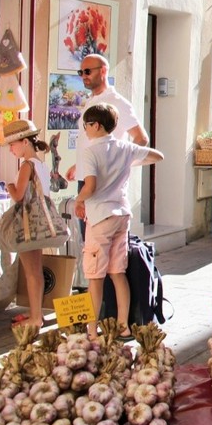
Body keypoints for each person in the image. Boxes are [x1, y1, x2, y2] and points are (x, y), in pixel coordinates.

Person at [74, 103, 163, 340]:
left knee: (95, 276)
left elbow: (90, 186)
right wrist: (128, 162)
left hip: (100, 215)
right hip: (121, 214)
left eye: (86, 125)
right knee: (117, 272)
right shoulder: (125, 147)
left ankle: (92, 331)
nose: (85, 130)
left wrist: (78, 199)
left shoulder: (90, 151)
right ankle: (123, 325)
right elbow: (157, 156)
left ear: (96, 125)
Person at [66, 54, 149, 234]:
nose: (83, 76)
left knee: (98, 239)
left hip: (101, 183)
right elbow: (93, 141)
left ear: (103, 71)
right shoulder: (91, 100)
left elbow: (141, 139)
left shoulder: (118, 102)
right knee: (87, 238)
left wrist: (117, 166)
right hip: (86, 175)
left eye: (87, 71)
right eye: (81, 72)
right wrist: (78, 164)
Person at [3, 119, 52, 327]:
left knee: (31, 272)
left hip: (28, 224)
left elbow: (19, 196)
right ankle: (37, 314)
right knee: (36, 271)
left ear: (24, 142)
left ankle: (34, 318)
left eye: (12, 145)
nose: (11, 150)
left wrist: (8, 186)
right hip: (41, 222)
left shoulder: (26, 166)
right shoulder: (41, 164)